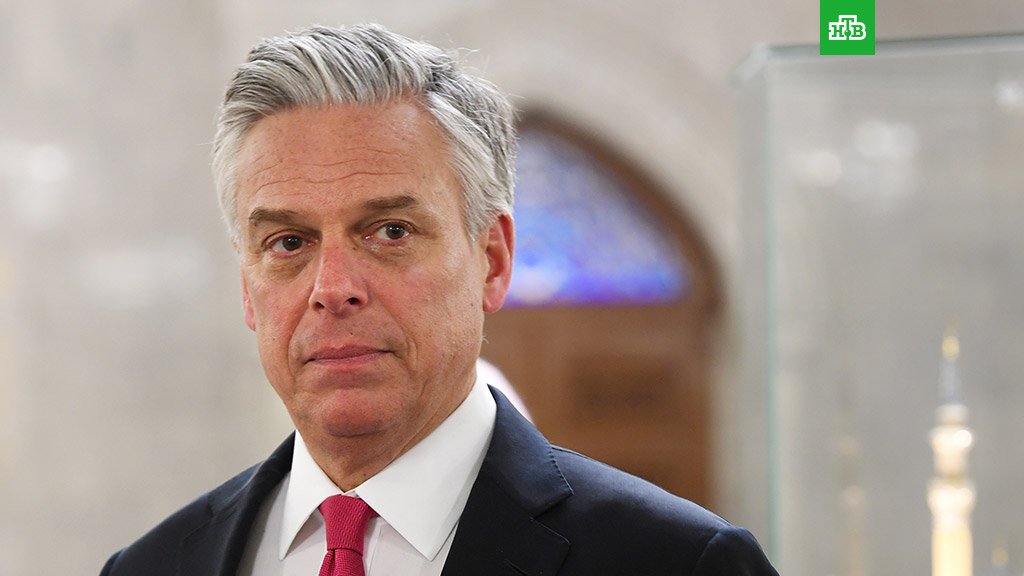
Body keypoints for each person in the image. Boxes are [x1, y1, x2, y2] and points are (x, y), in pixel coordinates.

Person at [100, 23, 779, 576]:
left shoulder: (678, 563)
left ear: (493, 260)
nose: (332, 288)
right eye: (288, 242)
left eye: (390, 231)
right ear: (247, 289)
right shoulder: (153, 567)